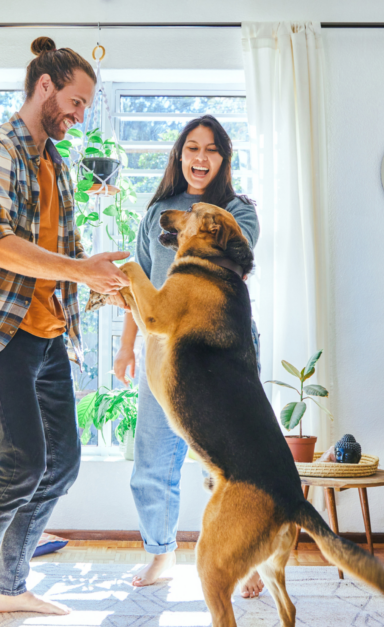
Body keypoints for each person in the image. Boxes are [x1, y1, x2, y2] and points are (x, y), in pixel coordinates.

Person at [0, 37, 130, 627]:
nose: (79, 116)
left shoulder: (58, 165)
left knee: (63, 461)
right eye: (75, 102)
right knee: (20, 460)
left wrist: (107, 283)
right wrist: (80, 271)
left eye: (85, 107)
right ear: (44, 86)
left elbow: (64, 257)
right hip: (0, 331)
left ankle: (8, 583)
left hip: (48, 334)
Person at [112, 115, 265, 598]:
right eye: (192, 148)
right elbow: (137, 287)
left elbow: (228, 266)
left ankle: (242, 555)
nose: (201, 158)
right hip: (163, 353)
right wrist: (124, 346)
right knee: (153, 459)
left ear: (224, 158)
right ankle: (161, 552)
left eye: (211, 149)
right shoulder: (158, 210)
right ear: (180, 155)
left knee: (225, 462)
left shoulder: (238, 213)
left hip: (220, 352)